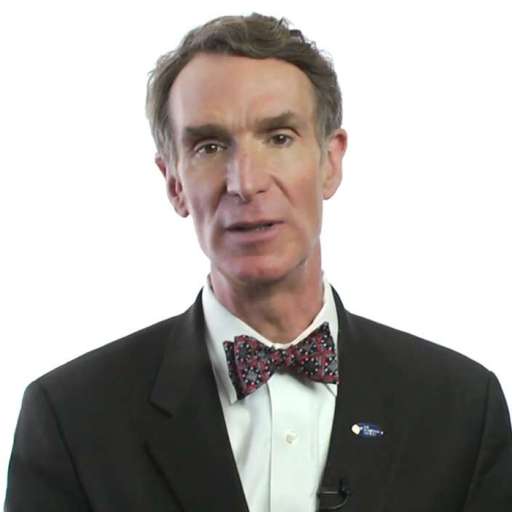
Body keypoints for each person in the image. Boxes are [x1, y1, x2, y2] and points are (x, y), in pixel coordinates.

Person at [5, 12, 512, 512]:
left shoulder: (464, 408)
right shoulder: (71, 418)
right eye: (209, 146)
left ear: (330, 162)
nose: (245, 183)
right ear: (174, 183)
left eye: (279, 138)